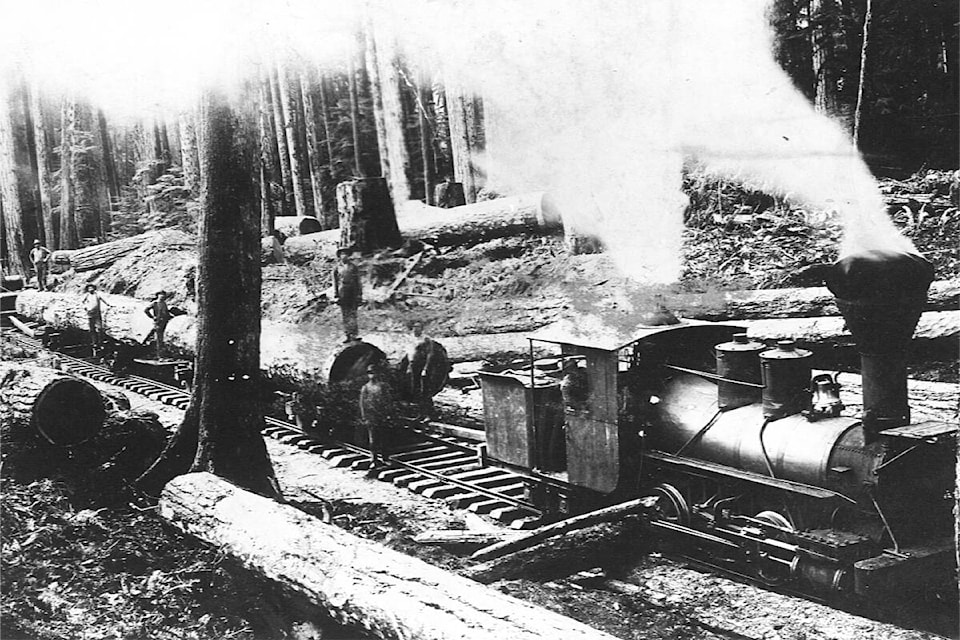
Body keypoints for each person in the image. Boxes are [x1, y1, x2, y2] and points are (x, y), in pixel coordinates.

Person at [406, 321, 443, 421]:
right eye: (414, 327)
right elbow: (409, 353)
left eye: (418, 327)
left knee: (425, 391)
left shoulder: (426, 339)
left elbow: (430, 355)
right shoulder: (410, 338)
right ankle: (420, 413)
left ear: (422, 329)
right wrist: (409, 366)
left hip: (422, 366)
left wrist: (425, 368)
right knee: (416, 390)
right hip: (414, 366)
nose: (416, 329)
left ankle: (429, 414)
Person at [359, 363, 394, 468]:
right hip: (371, 416)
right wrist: (364, 416)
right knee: (373, 439)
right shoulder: (365, 388)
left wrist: (389, 414)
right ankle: (374, 459)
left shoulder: (383, 386)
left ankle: (385, 458)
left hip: (382, 415)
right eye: (369, 373)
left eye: (374, 373)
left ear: (378, 374)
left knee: (384, 438)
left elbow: (388, 401)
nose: (372, 375)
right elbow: (362, 403)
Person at [332, 247, 362, 342]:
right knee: (345, 314)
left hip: (352, 291)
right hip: (342, 291)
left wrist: (359, 294)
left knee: (353, 313)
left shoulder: (353, 267)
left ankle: (354, 334)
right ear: (339, 256)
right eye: (342, 254)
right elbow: (335, 282)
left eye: (346, 254)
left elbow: (358, 282)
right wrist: (336, 295)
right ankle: (347, 335)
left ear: (349, 256)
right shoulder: (337, 268)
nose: (344, 256)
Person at [82, 283, 110, 355]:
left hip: (97, 314)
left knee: (100, 328)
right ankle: (94, 343)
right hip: (90, 314)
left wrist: (108, 305)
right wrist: (85, 307)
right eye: (89, 288)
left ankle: (100, 343)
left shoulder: (97, 295)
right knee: (92, 329)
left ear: (94, 288)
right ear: (87, 289)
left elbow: (104, 300)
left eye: (92, 288)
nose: (90, 289)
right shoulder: (87, 295)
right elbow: (82, 302)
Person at [143, 291, 172, 360]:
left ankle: (161, 353)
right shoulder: (155, 303)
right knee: (159, 339)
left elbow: (166, 313)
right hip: (158, 322)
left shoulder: (164, 304)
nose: (162, 296)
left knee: (161, 338)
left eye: (163, 295)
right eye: (160, 295)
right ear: (158, 295)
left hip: (164, 322)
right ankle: (159, 356)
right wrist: (152, 317)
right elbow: (146, 310)